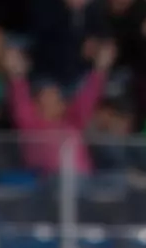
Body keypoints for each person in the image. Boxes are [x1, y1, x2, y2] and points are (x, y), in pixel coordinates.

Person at [6, 42, 114, 176]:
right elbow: (20, 105)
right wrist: (16, 76)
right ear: (37, 104)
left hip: (82, 182)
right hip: (49, 184)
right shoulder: (31, 126)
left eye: (56, 97)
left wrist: (100, 70)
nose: (53, 101)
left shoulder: (73, 121)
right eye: (46, 97)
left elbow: (88, 98)